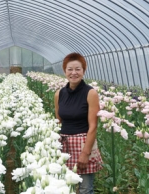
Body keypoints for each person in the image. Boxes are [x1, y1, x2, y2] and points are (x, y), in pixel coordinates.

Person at [54, 52, 103, 194]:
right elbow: (59, 121)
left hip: (83, 144)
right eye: (70, 69)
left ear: (83, 71)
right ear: (64, 71)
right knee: (65, 188)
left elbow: (93, 126)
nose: (73, 73)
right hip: (64, 146)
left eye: (78, 69)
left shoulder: (90, 93)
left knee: (85, 189)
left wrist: (86, 153)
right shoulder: (59, 94)